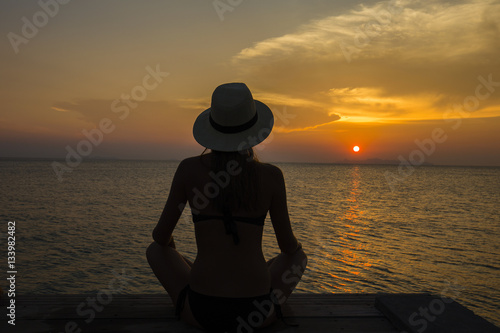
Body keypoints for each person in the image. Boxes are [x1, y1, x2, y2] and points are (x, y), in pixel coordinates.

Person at [146, 82, 307, 332]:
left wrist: (175, 251)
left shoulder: (188, 170)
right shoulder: (272, 176)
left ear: (213, 128)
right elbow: (288, 247)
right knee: (297, 257)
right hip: (257, 313)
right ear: (254, 130)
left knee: (156, 251)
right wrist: (280, 258)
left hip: (201, 311)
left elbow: (160, 237)